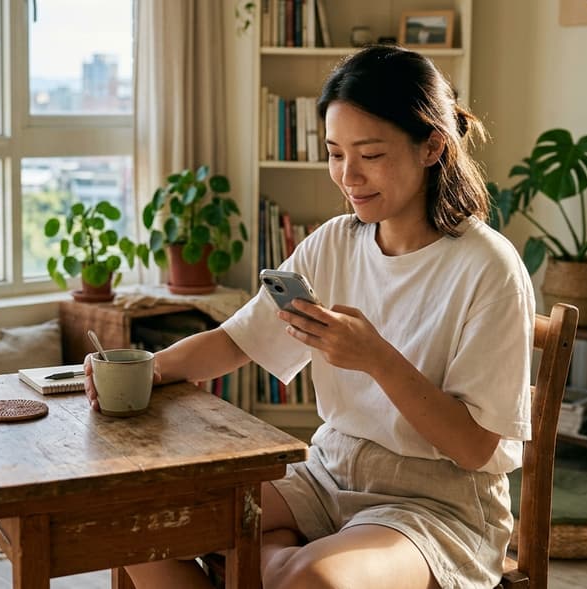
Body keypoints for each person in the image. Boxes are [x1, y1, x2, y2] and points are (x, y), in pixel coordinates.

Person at [84, 45, 534, 589]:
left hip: (436, 504)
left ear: (432, 146)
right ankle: (273, 562)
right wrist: (148, 369)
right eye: (335, 153)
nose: (349, 176)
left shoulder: (489, 268)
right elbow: (236, 339)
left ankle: (276, 562)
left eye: (370, 154)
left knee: (303, 577)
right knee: (129, 524)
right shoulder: (333, 244)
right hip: (326, 473)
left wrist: (377, 359)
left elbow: (475, 447)